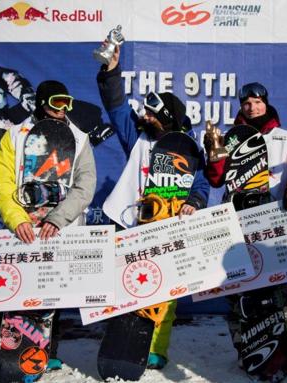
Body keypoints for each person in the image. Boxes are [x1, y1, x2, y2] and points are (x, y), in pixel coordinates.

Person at [97, 45, 209, 369]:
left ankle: (156, 347)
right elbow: (117, 108)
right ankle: (123, 342)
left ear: (166, 117)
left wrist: (194, 202)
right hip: (131, 221)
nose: (145, 117)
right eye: (145, 112)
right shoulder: (139, 137)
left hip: (167, 224)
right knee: (126, 283)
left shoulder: (189, 148)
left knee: (166, 289)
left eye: (151, 113)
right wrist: (111, 72)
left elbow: (201, 184)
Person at [0, 80, 97, 378]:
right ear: (41, 103)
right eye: (56, 103)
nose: (62, 110)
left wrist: (58, 218)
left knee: (51, 294)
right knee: (14, 290)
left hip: (59, 229)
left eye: (67, 104)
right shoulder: (15, 137)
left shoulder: (79, 139)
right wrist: (16, 218)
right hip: (23, 229)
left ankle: (48, 352)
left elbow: (85, 186)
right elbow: (2, 183)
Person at [203, 82, 287, 369]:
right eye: (247, 103)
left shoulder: (286, 137)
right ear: (241, 107)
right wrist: (214, 154)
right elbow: (216, 179)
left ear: (266, 103)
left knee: (284, 289)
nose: (252, 107)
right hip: (237, 223)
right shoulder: (230, 139)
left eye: (257, 101)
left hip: (275, 222)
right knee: (238, 288)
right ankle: (246, 346)